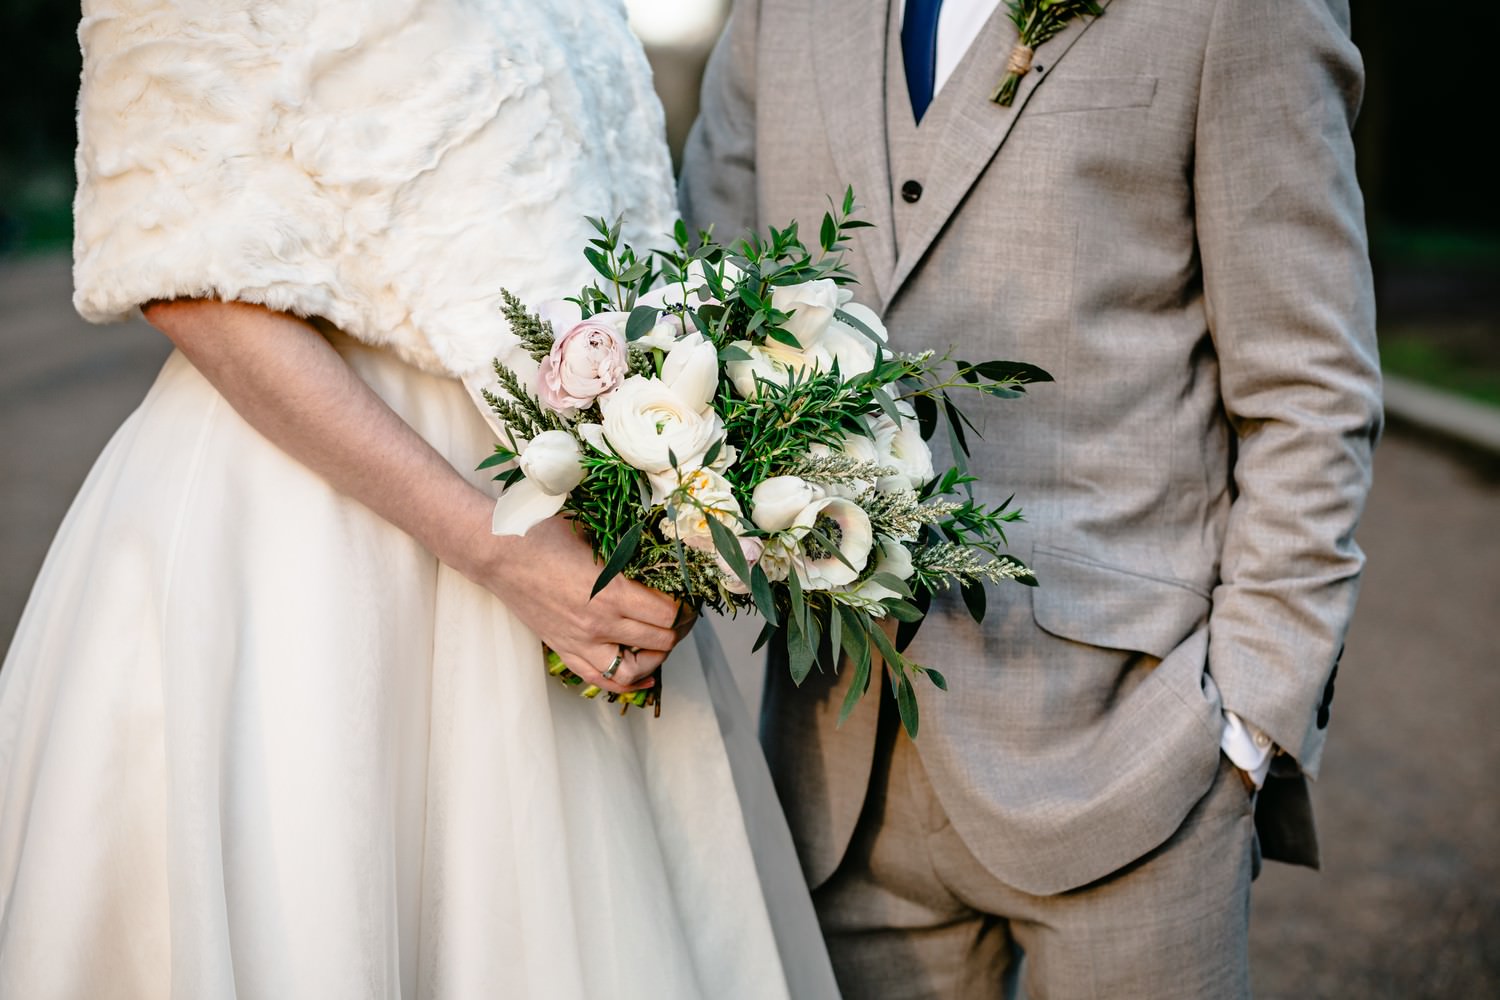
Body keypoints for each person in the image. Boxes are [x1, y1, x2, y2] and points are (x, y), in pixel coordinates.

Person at [0, 2, 842, 997]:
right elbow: (188, 280)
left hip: (576, 523)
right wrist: (497, 546)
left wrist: (667, 482)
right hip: (318, 547)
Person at [680, 0, 1381, 996]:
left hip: (1134, 761)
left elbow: (1308, 384)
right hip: (837, 764)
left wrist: (1246, 725)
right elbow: (712, 307)